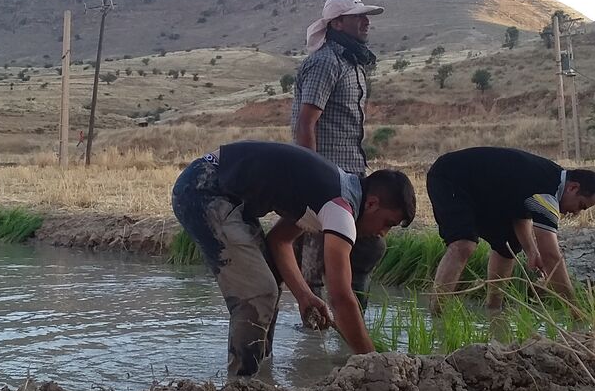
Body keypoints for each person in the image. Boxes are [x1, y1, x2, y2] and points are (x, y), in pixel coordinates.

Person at [171, 140, 415, 377]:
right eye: (387, 224)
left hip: (221, 190)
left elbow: (280, 241)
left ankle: (262, 377)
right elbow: (341, 299)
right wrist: (373, 363)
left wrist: (304, 295)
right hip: (203, 188)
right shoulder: (341, 210)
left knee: (270, 282)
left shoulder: (331, 190)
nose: (382, 234)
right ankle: (240, 387)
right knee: (259, 291)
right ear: (372, 204)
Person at [291, 0, 387, 317]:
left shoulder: (352, 64)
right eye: (358, 16)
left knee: (366, 248)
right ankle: (317, 342)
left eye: (366, 16)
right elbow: (305, 124)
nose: (366, 21)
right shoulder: (325, 62)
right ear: (337, 23)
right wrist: (310, 180)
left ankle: (350, 332)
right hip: (327, 179)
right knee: (316, 262)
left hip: (350, 178)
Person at [427, 147, 595, 311]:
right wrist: (574, 309)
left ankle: (494, 311)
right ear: (573, 187)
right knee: (463, 244)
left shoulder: (549, 181)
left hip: (483, 192)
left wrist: (531, 251)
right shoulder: (548, 193)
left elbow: (520, 213)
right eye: (581, 205)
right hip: (449, 176)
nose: (576, 213)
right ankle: (438, 315)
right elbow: (551, 256)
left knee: (508, 245)